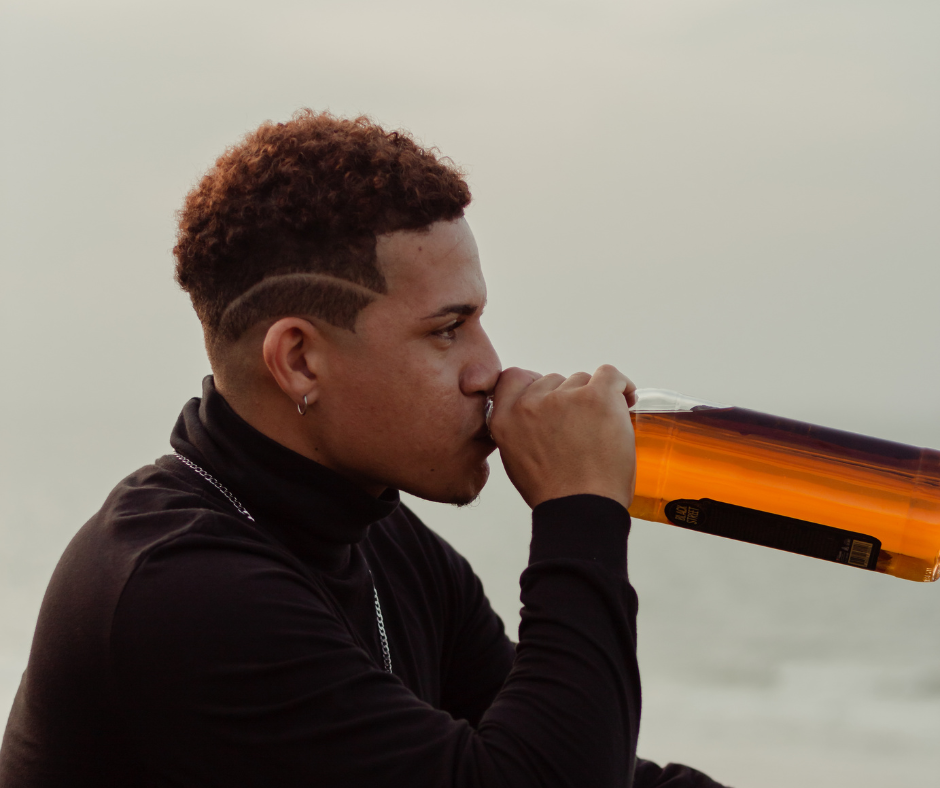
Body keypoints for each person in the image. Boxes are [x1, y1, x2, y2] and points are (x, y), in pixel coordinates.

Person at [0, 110, 728, 787]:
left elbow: (590, 763)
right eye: (448, 329)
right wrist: (580, 511)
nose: (491, 369)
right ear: (300, 361)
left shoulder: (385, 543)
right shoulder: (182, 592)